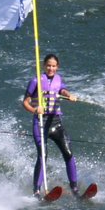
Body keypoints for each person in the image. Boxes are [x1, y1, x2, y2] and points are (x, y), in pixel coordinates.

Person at [22, 54, 79, 198]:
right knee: (43, 156)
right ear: (44, 66)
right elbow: (25, 102)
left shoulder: (59, 79)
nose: (51, 68)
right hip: (40, 123)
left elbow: (62, 90)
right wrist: (35, 109)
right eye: (48, 65)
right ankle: (36, 191)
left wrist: (69, 95)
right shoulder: (36, 81)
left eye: (53, 66)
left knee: (68, 153)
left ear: (57, 67)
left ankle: (74, 188)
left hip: (56, 123)